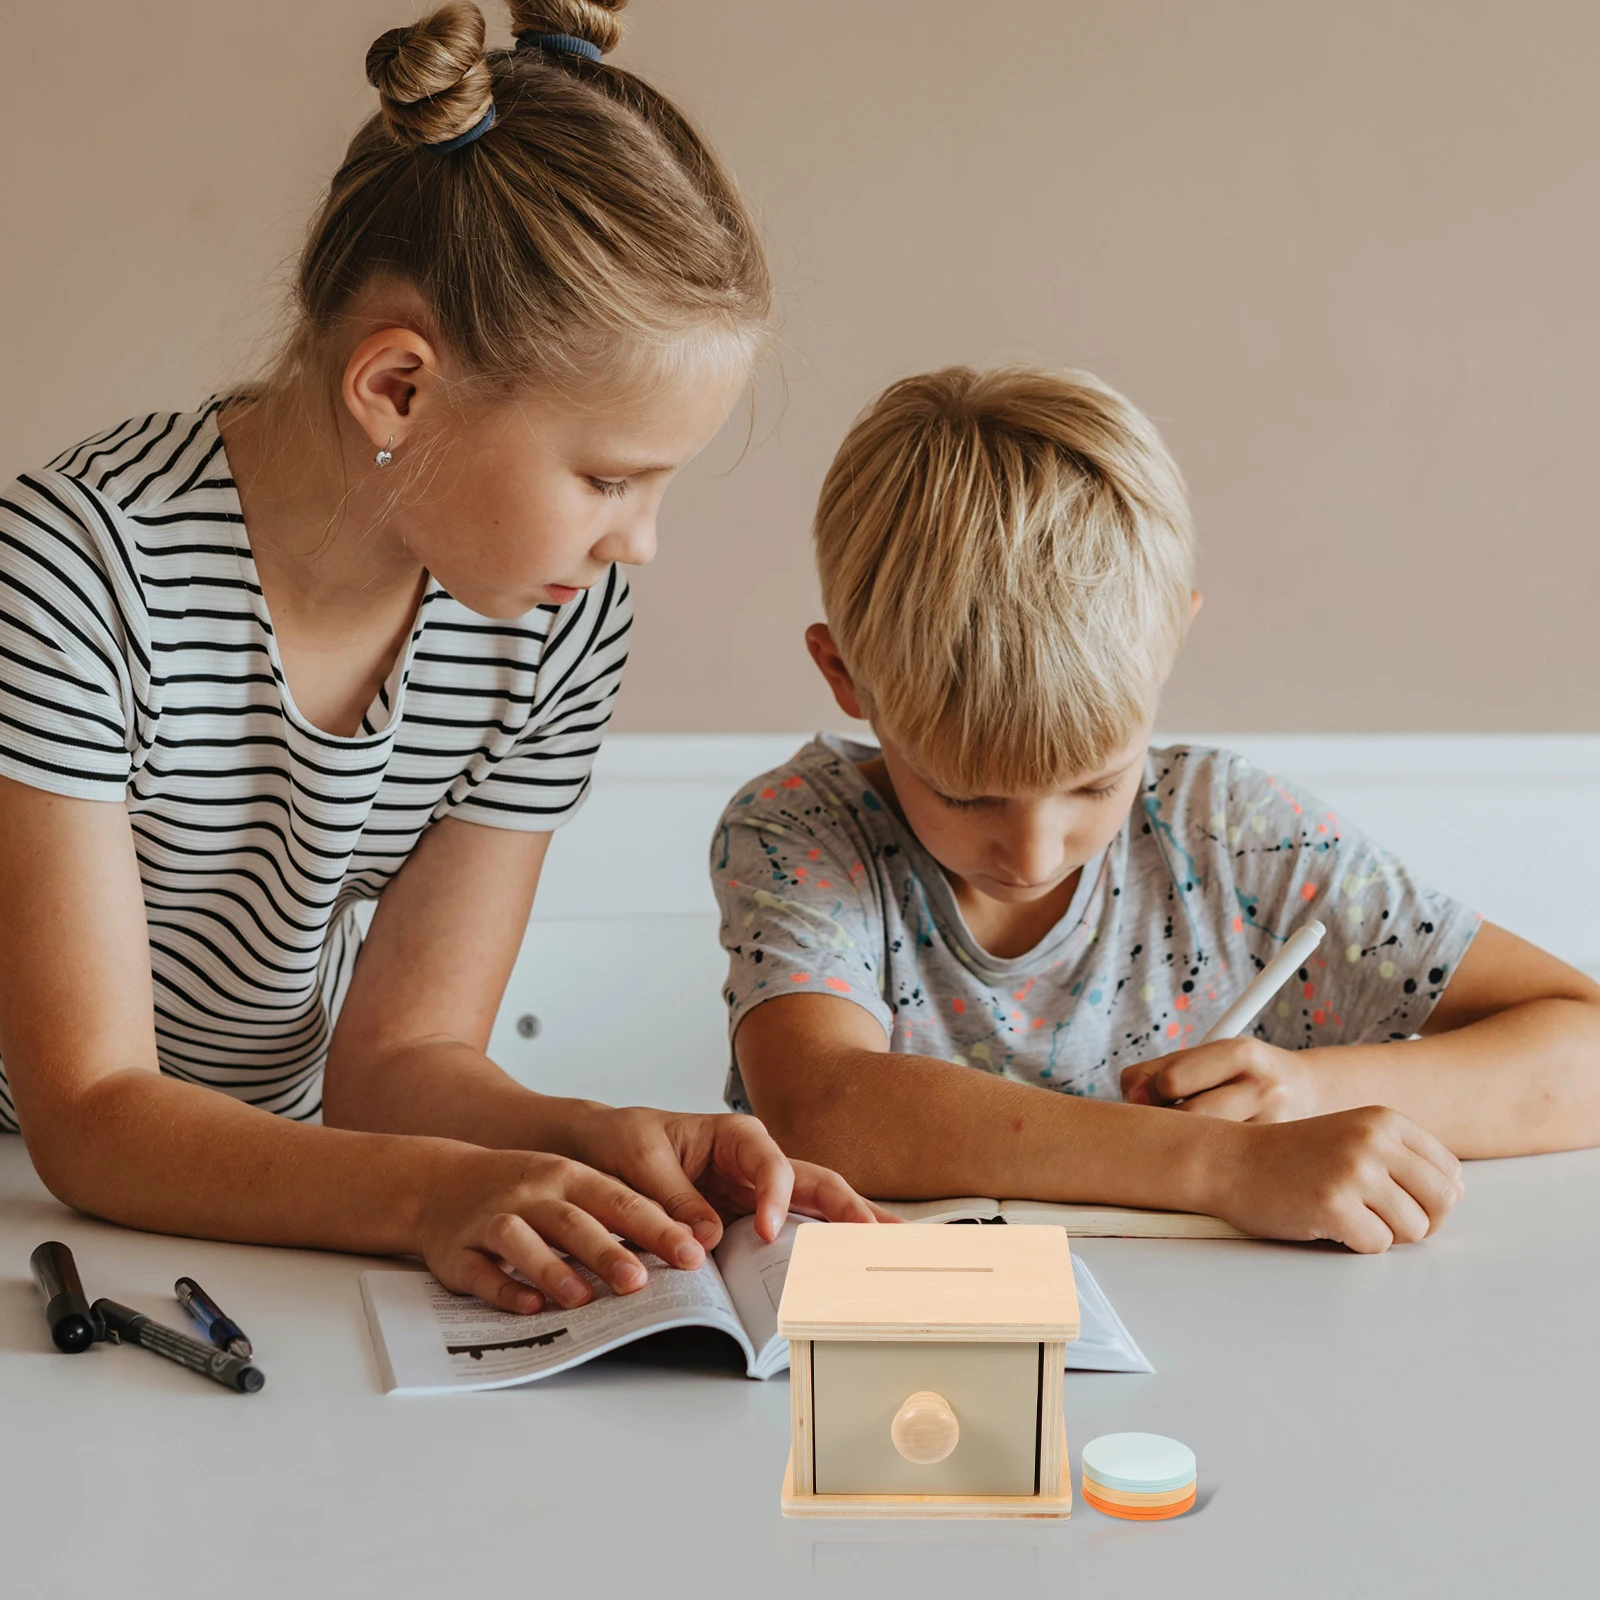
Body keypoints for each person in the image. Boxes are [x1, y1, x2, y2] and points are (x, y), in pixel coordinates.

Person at [0, 0, 882, 1319]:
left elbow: (397, 1060)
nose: (638, 543)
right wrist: (426, 1196)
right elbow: (90, 1114)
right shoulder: (73, 570)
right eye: (607, 479)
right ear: (398, 389)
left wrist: (605, 1139)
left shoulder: (552, 617)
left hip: (274, 1202)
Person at [711, 365, 1600, 1253]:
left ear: (1172, 639)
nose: (1033, 854)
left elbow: (1584, 1050)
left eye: (1094, 785)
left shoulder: (1233, 834)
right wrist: (1224, 1165)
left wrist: (1311, 1094)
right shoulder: (801, 829)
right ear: (845, 676)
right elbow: (821, 1106)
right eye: (965, 794)